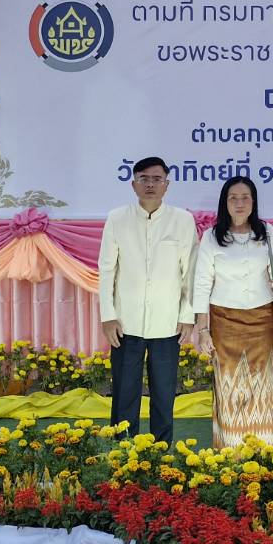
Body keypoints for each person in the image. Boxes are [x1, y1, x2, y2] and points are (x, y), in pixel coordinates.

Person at [98, 156, 197, 444]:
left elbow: (190, 271)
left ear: (167, 184)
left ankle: (160, 451)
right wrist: (108, 315)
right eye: (144, 179)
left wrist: (187, 316)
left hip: (168, 324)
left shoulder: (182, 220)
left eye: (157, 179)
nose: (150, 184)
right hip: (125, 323)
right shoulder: (117, 218)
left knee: (164, 394)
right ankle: (124, 453)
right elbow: (106, 270)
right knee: (124, 392)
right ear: (133, 184)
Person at [193, 176, 273, 448]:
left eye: (245, 197)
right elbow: (202, 283)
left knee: (262, 387)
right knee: (229, 388)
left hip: (261, 320)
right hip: (224, 320)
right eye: (233, 197)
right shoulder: (212, 236)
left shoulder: (267, 232)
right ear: (225, 202)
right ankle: (229, 451)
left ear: (254, 201)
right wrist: (203, 329)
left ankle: (264, 451)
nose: (239, 203)